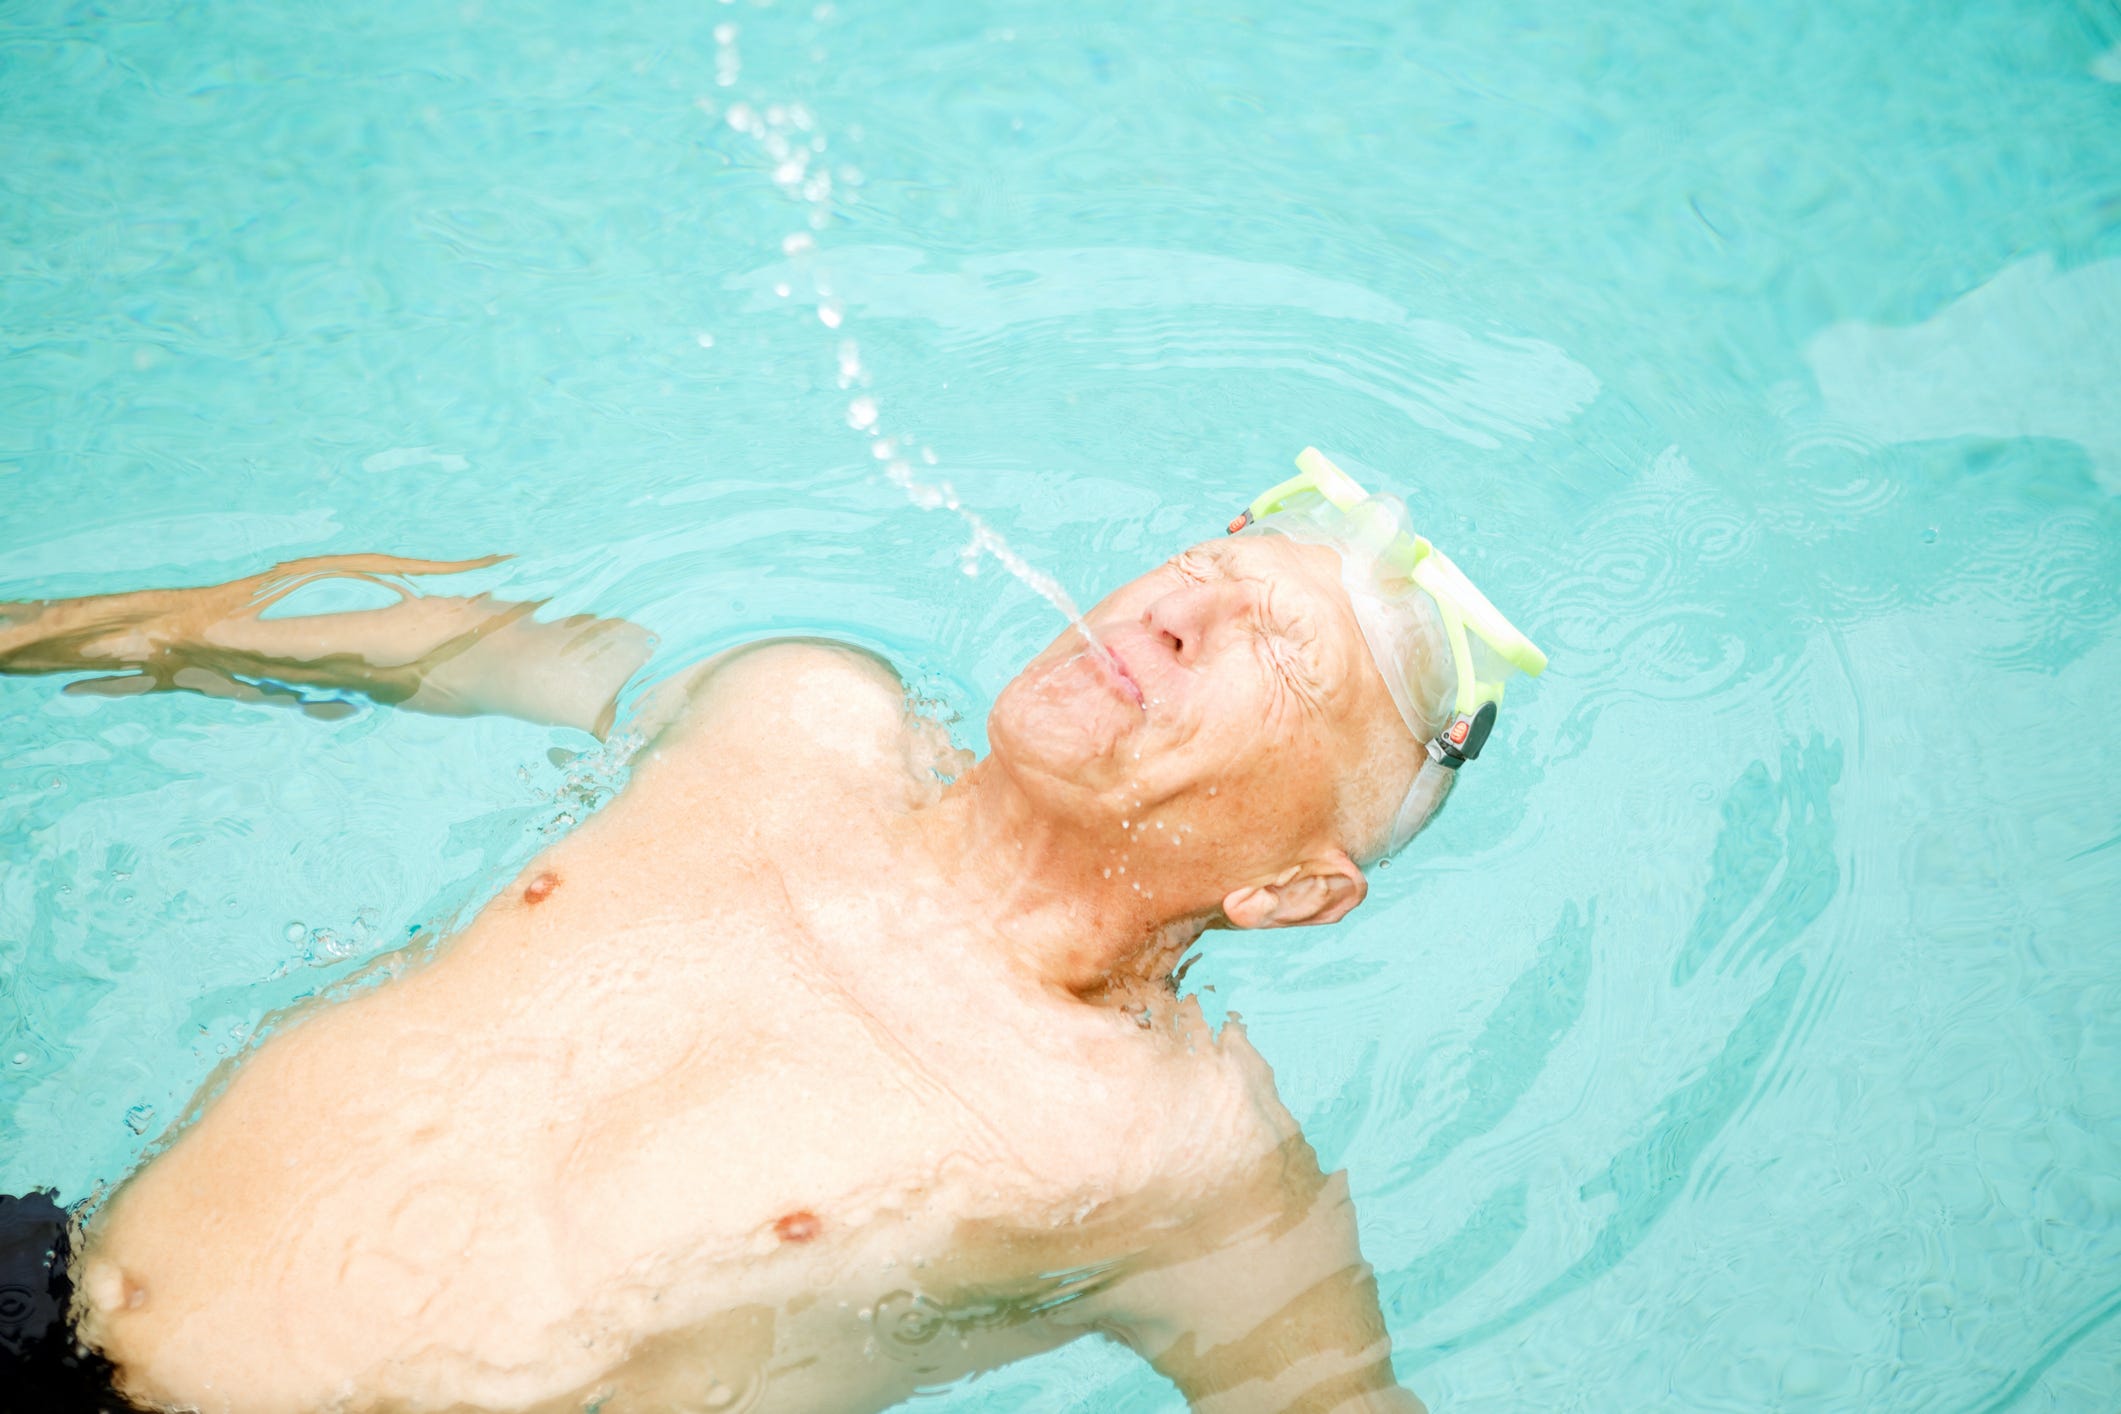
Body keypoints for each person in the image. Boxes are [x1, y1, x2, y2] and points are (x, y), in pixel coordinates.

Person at [0, 452, 1544, 1414]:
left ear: (1291, 886)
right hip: (38, 1287)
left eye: (1263, 646)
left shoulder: (1175, 1157)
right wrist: (33, 637)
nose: (1167, 610)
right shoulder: (796, 715)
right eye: (1195, 571)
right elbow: (424, 641)